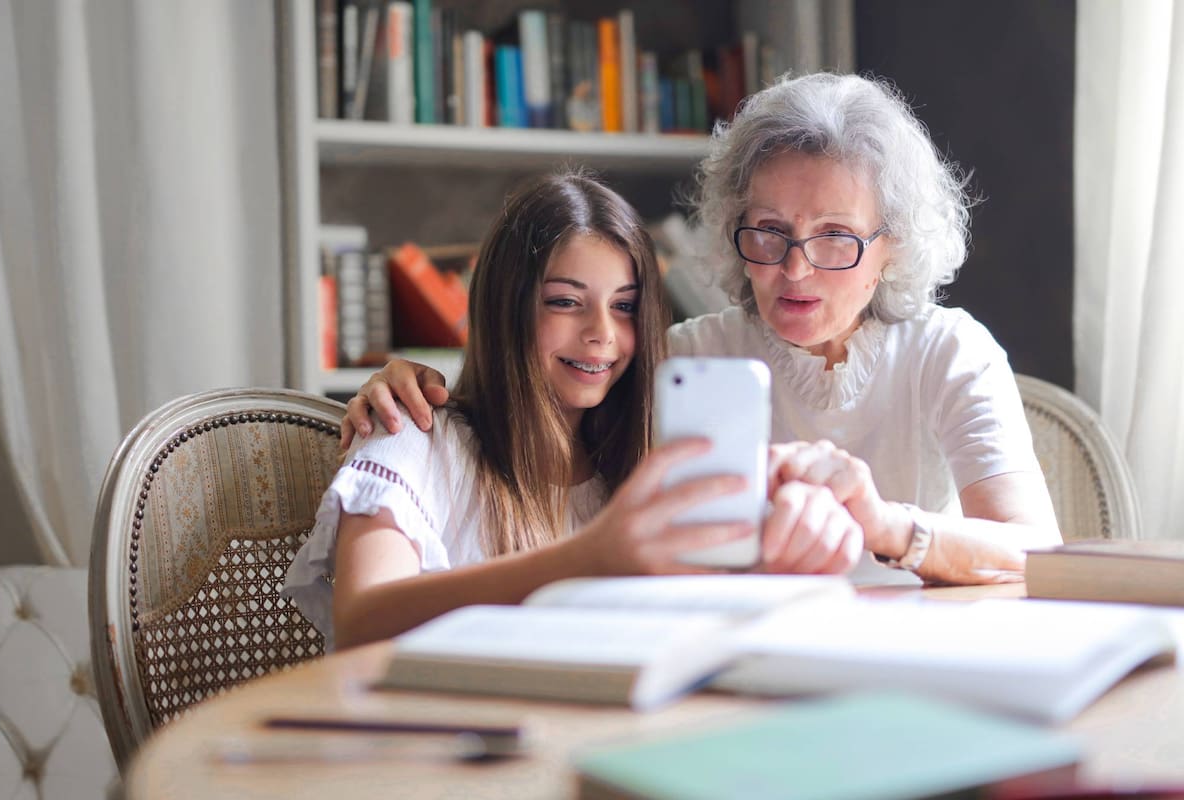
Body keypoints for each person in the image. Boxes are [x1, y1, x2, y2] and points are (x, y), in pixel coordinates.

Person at [344, 73, 1063, 587]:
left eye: (836, 238)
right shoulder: (682, 359)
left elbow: (1036, 552)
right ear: (732, 228)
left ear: (893, 246)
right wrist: (410, 383)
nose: (795, 270)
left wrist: (885, 525)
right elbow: (538, 411)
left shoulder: (949, 350)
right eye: (769, 233)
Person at [283, 172, 863, 650]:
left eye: (625, 307)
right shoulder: (413, 436)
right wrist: (587, 558)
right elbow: (361, 622)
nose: (602, 335)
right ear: (505, 307)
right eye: (565, 302)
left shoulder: (642, 463)